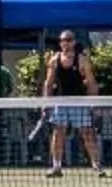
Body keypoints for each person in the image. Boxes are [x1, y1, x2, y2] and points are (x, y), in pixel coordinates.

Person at [39, 29, 99, 177]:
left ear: (74, 42)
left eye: (69, 40)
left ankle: (97, 166)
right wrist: (45, 103)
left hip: (79, 102)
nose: (66, 43)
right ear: (60, 43)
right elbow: (48, 83)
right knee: (58, 133)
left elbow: (91, 83)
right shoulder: (54, 60)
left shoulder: (82, 60)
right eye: (63, 41)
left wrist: (94, 103)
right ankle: (56, 167)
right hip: (61, 103)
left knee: (87, 134)